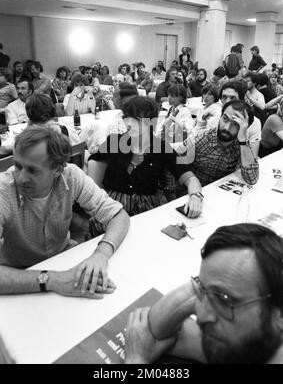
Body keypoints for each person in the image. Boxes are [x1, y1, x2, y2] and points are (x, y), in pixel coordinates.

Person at [125, 223, 283, 364]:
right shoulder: (243, 346)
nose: (201, 317)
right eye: (201, 289)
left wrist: (135, 360)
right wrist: (202, 288)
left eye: (224, 299)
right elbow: (156, 332)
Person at [0, 126, 129, 298]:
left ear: (58, 169)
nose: (21, 178)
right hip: (17, 271)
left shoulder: (71, 176)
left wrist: (101, 254)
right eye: (17, 166)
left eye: (32, 170)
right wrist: (53, 280)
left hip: (64, 258)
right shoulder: (3, 189)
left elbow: (118, 216)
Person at [88, 96, 203, 218]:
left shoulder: (161, 148)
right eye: (126, 118)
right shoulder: (115, 141)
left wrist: (195, 197)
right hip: (112, 208)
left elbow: (189, 177)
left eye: (136, 120)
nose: (129, 124)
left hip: (145, 210)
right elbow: (94, 162)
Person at [178, 99, 259, 188]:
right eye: (225, 119)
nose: (227, 127)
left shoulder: (241, 144)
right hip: (196, 190)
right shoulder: (201, 138)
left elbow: (252, 179)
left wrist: (243, 141)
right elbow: (173, 160)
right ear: (220, 117)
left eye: (235, 124)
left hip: (221, 191)